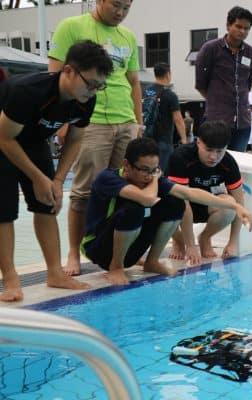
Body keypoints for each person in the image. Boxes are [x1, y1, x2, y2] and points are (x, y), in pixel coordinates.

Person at [0, 40, 114, 302]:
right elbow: (5, 138)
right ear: (69, 71)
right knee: (4, 210)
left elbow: (74, 139)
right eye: (90, 83)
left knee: (48, 202)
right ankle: (10, 279)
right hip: (3, 138)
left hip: (33, 139)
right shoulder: (29, 91)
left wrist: (57, 179)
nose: (94, 90)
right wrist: (38, 177)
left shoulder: (85, 100)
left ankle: (55, 273)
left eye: (99, 85)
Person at [48, 0, 143, 276]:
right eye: (116, 5)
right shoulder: (72, 27)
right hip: (90, 121)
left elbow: (134, 82)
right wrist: (63, 121)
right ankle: (73, 254)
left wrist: (138, 123)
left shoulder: (128, 36)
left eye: (126, 7)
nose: (120, 12)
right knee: (84, 191)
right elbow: (55, 76)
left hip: (124, 120)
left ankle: (118, 252)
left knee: (127, 189)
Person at [81, 137, 252, 285]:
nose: (148, 176)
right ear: (127, 165)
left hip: (131, 250)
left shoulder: (149, 179)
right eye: (144, 170)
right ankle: (116, 267)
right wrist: (156, 178)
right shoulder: (108, 178)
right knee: (135, 209)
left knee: (175, 203)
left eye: (154, 170)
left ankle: (152, 261)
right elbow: (145, 198)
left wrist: (237, 206)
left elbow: (190, 193)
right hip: (98, 249)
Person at [168, 121, 249, 264]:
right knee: (171, 203)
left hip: (205, 206)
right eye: (209, 149)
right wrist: (190, 245)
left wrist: (233, 242)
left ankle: (205, 238)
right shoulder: (181, 157)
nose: (213, 157)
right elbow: (183, 201)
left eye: (219, 151)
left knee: (230, 205)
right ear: (198, 142)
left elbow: (240, 204)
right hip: (179, 206)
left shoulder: (228, 163)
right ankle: (178, 240)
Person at [195, 6, 252, 152]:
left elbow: (247, 84)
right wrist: (218, 101)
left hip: (243, 123)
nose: (242, 31)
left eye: (246, 28)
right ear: (228, 25)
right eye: (238, 26)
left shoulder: (251, 53)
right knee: (213, 164)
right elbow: (200, 84)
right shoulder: (210, 49)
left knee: (237, 166)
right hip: (216, 121)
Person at [146, 62, 187, 171]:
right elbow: (178, 119)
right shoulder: (170, 95)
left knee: (147, 171)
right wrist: (184, 139)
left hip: (146, 139)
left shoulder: (146, 91)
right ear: (168, 74)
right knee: (162, 173)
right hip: (164, 141)